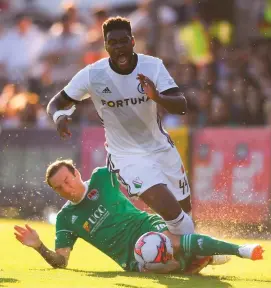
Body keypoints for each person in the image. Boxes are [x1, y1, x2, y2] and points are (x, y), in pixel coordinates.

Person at [46, 16, 194, 237]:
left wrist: (157, 96)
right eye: (112, 43)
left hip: (161, 148)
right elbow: (56, 103)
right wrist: (59, 117)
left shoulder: (152, 66)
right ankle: (190, 248)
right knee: (169, 209)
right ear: (105, 45)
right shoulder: (93, 74)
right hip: (126, 156)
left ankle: (187, 248)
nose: (118, 47)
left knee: (185, 212)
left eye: (123, 41)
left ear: (133, 41)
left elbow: (181, 105)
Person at [14, 159, 264, 273]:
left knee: (167, 243)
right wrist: (38, 247)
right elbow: (61, 261)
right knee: (173, 264)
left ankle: (240, 249)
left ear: (77, 173)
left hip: (148, 226)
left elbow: (129, 166)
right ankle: (203, 257)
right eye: (59, 188)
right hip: (133, 261)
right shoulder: (65, 219)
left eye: (67, 181)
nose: (66, 189)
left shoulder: (102, 176)